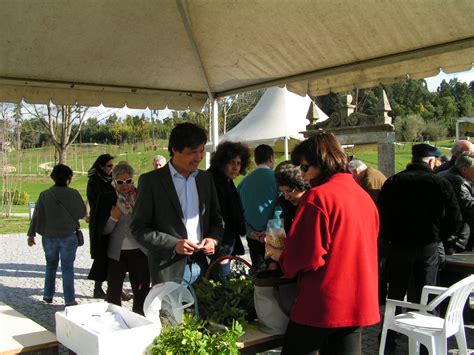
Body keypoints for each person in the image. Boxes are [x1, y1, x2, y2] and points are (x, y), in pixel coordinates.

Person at [266, 132, 380, 354]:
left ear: (323, 163)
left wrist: (280, 257)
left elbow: (307, 256)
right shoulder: (363, 196)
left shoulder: (318, 197)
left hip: (324, 302)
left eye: (305, 168)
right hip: (358, 299)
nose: (303, 174)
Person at [378, 143, 462, 349]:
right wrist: (438, 237)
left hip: (397, 247)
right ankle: (426, 345)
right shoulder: (439, 183)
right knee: (427, 295)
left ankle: (388, 342)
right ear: (432, 161)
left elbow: (381, 217)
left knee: (395, 295)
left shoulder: (393, 182)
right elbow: (455, 219)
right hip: (427, 247)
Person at [131, 123, 224, 285]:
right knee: (171, 311)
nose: (199, 157)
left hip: (203, 267)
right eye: (192, 152)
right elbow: (139, 228)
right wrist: (173, 245)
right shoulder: (151, 181)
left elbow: (217, 219)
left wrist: (213, 239)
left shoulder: (205, 179)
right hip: (168, 270)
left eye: (201, 151)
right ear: (174, 150)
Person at [93, 162, 150, 315]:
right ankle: (115, 320)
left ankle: (139, 319)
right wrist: (113, 218)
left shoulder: (142, 196)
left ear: (133, 180)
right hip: (115, 253)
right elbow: (102, 231)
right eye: (120, 182)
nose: (124, 185)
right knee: (113, 291)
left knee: (141, 290)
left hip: (139, 251)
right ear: (114, 181)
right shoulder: (107, 199)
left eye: (128, 181)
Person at [27, 164, 86, 306]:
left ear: (53, 177)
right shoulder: (74, 194)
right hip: (68, 236)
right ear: (69, 177)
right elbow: (81, 213)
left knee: (50, 266)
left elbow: (36, 216)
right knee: (67, 268)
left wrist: (31, 234)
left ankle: (48, 295)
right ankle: (69, 300)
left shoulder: (45, 194)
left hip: (49, 237)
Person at [207, 141, 251, 280]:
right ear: (222, 162)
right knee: (222, 280)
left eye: (238, 163)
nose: (235, 167)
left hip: (227, 241)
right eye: (232, 162)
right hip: (217, 241)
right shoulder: (212, 180)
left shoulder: (226, 180)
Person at [238, 144, 281, 270]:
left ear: (255, 160)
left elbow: (238, 209)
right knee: (276, 270)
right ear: (271, 158)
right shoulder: (278, 179)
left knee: (259, 271)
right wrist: (271, 230)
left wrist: (250, 231)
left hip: (252, 234)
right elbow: (280, 207)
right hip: (275, 233)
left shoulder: (243, 182)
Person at [87, 154, 115, 299]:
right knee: (102, 255)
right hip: (100, 222)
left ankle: (114, 287)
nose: (112, 168)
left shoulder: (111, 179)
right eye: (109, 166)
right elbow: (96, 201)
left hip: (113, 220)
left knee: (113, 257)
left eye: (112, 166)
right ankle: (98, 288)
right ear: (101, 166)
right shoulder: (94, 181)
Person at [439, 151, 474, 252]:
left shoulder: (444, 174)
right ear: (464, 169)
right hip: (454, 238)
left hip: (447, 235)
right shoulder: (458, 182)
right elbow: (469, 207)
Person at [274, 161, 309, 234]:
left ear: (301, 185)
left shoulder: (313, 204)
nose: (286, 197)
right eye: (282, 192)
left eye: (289, 191)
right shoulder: (284, 202)